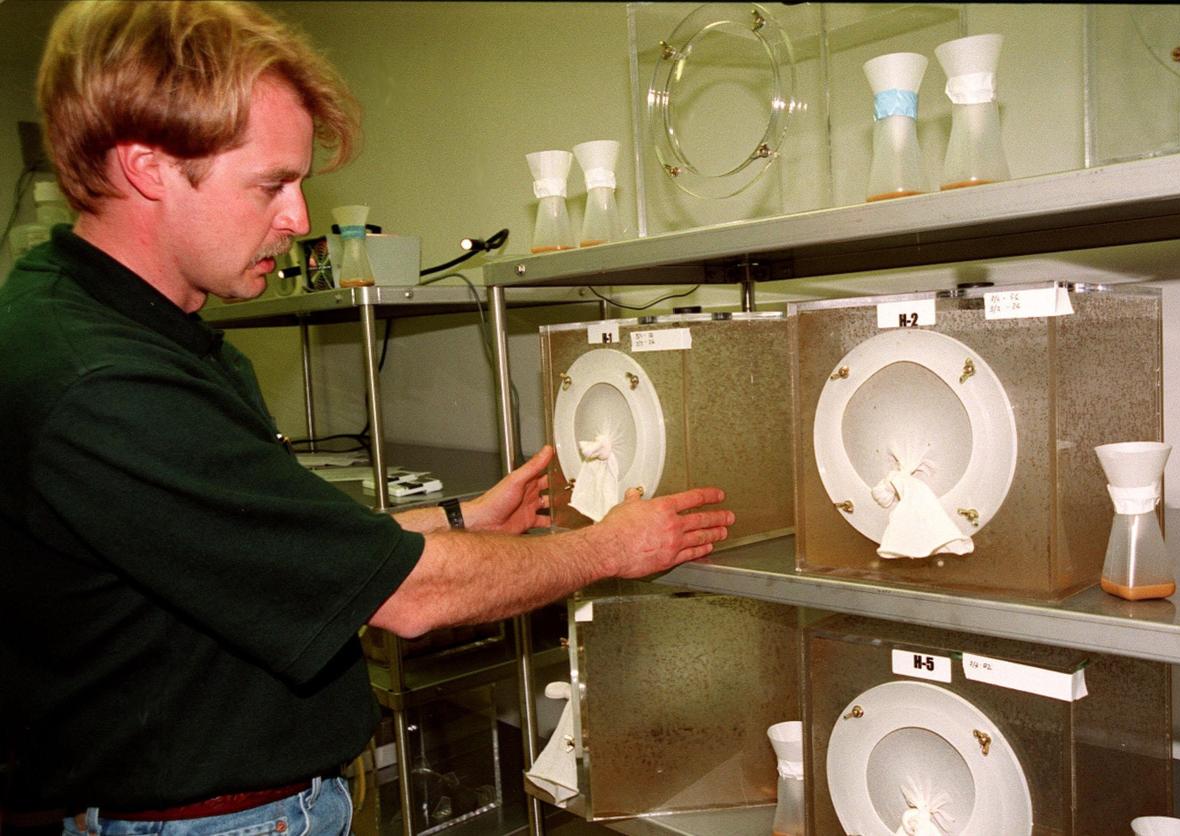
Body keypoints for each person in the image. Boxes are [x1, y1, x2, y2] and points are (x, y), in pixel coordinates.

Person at [0, 1, 734, 831]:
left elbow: (262, 548)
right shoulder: (104, 383)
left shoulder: (126, 328)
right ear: (148, 168)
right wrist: (610, 547)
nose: (299, 220)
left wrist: (464, 516)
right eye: (272, 184)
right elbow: (407, 598)